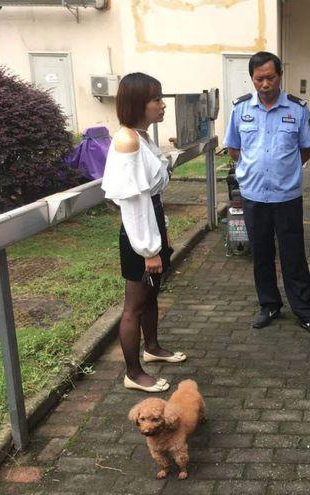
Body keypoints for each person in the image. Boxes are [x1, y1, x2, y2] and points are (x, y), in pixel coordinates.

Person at [224, 51, 310, 339]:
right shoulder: (240, 110)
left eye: (270, 77)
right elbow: (234, 147)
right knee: (261, 253)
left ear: (280, 76)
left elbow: (305, 150)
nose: (265, 84)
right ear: (252, 79)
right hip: (254, 195)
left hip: (287, 197)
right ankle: (269, 305)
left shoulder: (297, 109)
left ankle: (305, 312)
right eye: (259, 79)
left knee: (294, 255)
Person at [101, 72, 186, 394]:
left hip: (153, 224)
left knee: (152, 294)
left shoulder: (143, 136)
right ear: (138, 103)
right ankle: (133, 372)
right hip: (139, 233)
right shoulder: (127, 140)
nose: (162, 106)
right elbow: (133, 202)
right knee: (134, 306)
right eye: (156, 99)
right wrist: (149, 250)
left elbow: (154, 189)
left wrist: (161, 239)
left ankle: (152, 347)